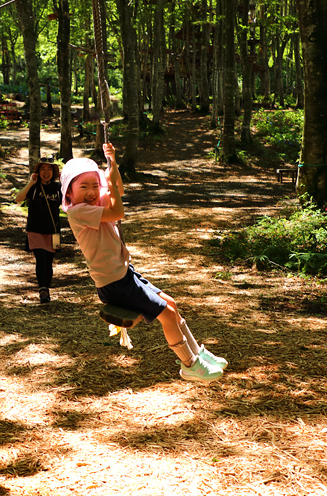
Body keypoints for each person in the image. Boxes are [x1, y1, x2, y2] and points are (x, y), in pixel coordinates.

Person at [60, 143, 227, 382]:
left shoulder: (93, 205)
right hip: (114, 283)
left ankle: (197, 354)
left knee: (171, 303)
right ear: (69, 192)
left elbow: (119, 190)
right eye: (83, 186)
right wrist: (110, 187)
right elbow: (118, 211)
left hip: (124, 274)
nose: (91, 191)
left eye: (95, 186)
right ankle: (189, 365)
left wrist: (113, 164)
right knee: (167, 315)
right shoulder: (78, 212)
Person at [16, 157, 62, 303]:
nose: (46, 172)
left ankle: (46, 288)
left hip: (53, 230)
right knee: (41, 258)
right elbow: (18, 198)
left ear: (53, 172)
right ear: (38, 171)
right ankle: (42, 290)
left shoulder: (58, 188)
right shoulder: (34, 187)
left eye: (49, 169)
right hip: (35, 229)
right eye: (43, 169)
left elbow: (70, 201)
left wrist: (65, 182)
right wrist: (31, 182)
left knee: (48, 261)